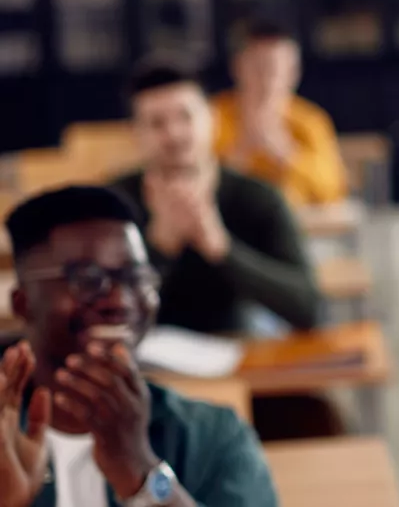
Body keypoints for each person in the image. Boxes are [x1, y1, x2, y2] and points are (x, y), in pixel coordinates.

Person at [0, 185, 277, 507]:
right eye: (88, 279)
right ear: (23, 304)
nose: (119, 300)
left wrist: (141, 471)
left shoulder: (212, 435)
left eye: (135, 277)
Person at [110, 62, 321, 335]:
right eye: (156, 123)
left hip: (243, 354)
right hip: (145, 358)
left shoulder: (258, 196)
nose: (174, 134)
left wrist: (220, 247)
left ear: (212, 119)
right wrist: (159, 246)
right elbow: (99, 312)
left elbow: (308, 307)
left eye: (186, 117)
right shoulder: (113, 204)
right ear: (135, 133)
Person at [211, 19, 348, 208]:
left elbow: (333, 190)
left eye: (275, 69)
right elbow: (198, 186)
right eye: (258, 68)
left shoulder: (309, 121)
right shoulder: (211, 117)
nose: (266, 80)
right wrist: (240, 153)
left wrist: (287, 155)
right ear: (237, 68)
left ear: (293, 73)